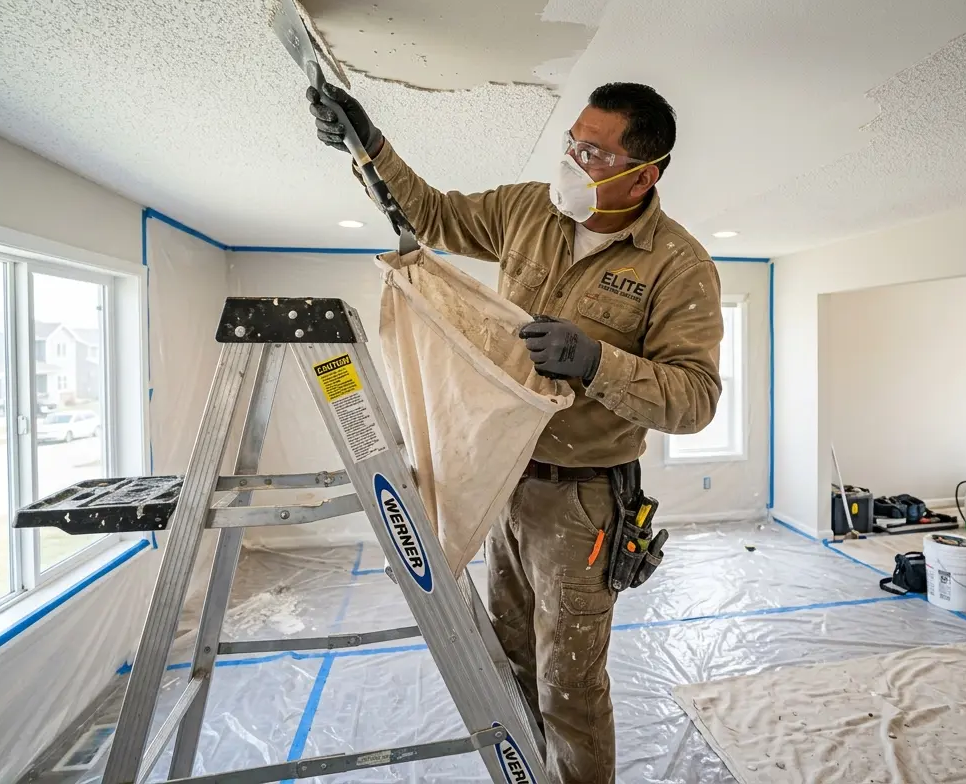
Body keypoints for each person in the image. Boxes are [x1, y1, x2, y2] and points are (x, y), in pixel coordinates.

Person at [307, 81, 723, 784]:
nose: (573, 161)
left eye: (595, 153)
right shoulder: (529, 209)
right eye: (573, 142)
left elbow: (695, 400)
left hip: (584, 501)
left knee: (570, 684)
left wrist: (595, 362)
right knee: (510, 655)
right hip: (507, 474)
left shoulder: (677, 266)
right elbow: (433, 215)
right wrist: (368, 145)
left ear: (643, 175)